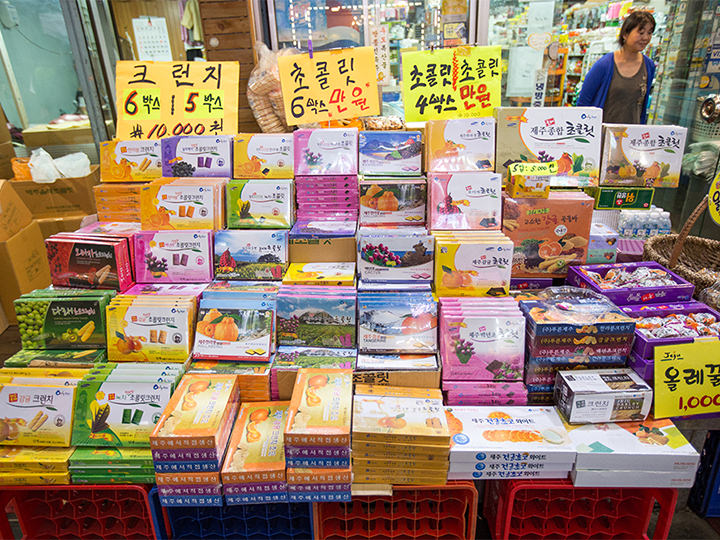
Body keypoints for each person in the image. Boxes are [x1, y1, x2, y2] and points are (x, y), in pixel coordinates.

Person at [576, 10, 656, 124]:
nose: (646, 38)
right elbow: (583, 103)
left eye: (649, 33)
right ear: (625, 34)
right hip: (603, 132)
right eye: (641, 32)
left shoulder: (648, 66)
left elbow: (642, 107)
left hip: (631, 133)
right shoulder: (604, 64)